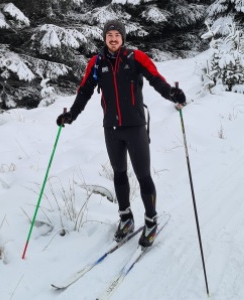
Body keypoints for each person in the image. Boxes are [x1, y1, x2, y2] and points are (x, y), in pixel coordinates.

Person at [56, 19, 186, 247]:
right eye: (110, 35)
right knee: (119, 174)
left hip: (135, 127)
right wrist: (71, 115)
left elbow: (155, 78)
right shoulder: (97, 63)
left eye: (117, 35)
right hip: (112, 129)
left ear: (123, 38)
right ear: (104, 38)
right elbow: (84, 90)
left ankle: (151, 220)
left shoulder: (135, 58)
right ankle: (125, 218)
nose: (113, 39)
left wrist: (171, 93)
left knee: (143, 175)